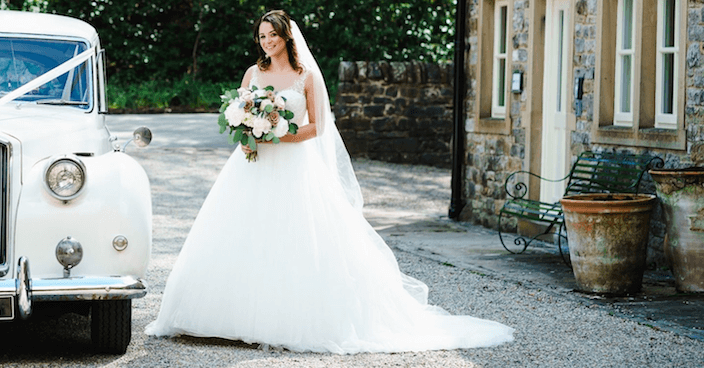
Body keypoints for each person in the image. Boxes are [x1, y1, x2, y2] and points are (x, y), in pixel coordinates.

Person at [144, 10, 515, 354]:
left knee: (296, 234)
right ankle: (218, 316)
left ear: (287, 37)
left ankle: (287, 319)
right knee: (242, 232)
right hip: (252, 165)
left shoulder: (307, 76)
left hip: (293, 165)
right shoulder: (252, 74)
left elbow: (319, 127)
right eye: (261, 36)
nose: (267, 42)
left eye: (273, 35)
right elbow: (240, 113)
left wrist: (279, 135)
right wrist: (248, 131)